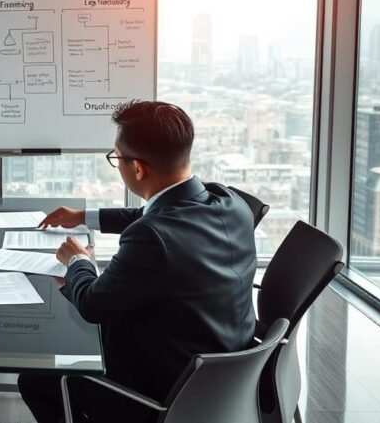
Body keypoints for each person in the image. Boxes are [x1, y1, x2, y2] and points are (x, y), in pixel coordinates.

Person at [19, 100, 257, 423]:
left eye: (116, 157)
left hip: (160, 395)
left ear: (138, 168)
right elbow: (156, 212)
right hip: (223, 382)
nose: (116, 164)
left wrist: (77, 261)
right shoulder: (229, 201)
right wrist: (85, 217)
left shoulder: (152, 239)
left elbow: (92, 304)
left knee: (37, 378)